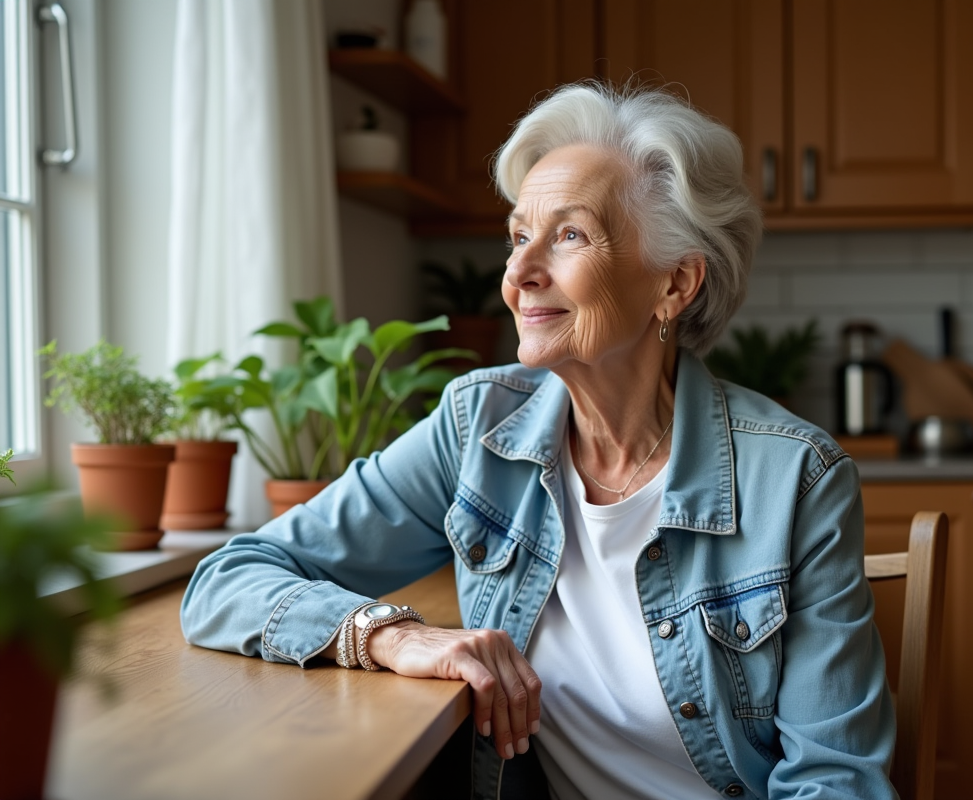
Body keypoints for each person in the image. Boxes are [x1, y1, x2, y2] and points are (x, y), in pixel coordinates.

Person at [181, 81, 897, 800]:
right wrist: (392, 634)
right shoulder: (479, 428)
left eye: (570, 235)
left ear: (675, 284)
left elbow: (837, 782)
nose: (519, 273)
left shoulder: (796, 478)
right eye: (520, 236)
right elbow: (228, 579)